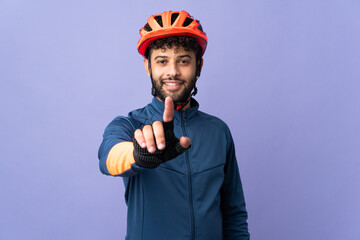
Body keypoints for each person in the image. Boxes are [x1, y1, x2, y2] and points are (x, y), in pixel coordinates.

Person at [98, 10, 250, 240]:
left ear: (198, 66)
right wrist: (139, 155)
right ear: (148, 67)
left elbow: (233, 213)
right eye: (162, 61)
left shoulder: (219, 131)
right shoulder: (129, 125)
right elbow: (108, 158)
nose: (173, 71)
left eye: (183, 61)